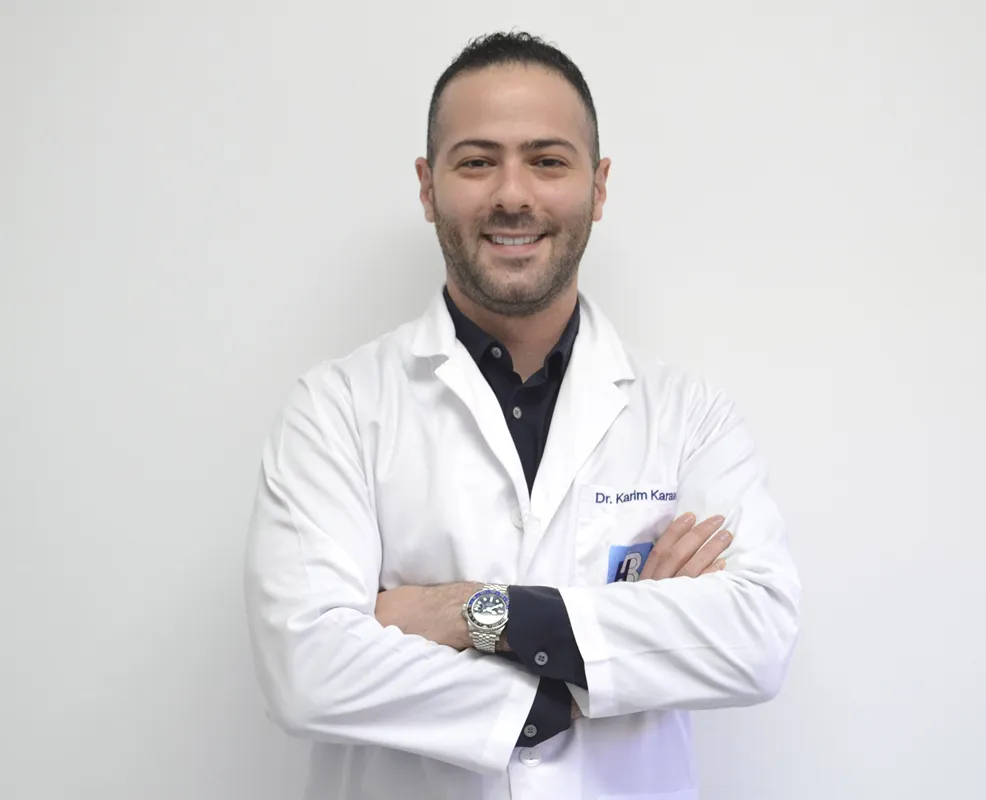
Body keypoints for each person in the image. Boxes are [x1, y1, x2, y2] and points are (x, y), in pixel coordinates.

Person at [244, 30, 801, 800]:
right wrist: (609, 658)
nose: (513, 194)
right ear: (427, 186)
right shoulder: (336, 410)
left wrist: (472, 614)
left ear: (598, 187)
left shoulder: (688, 416)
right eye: (477, 162)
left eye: (548, 161)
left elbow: (757, 638)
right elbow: (306, 669)